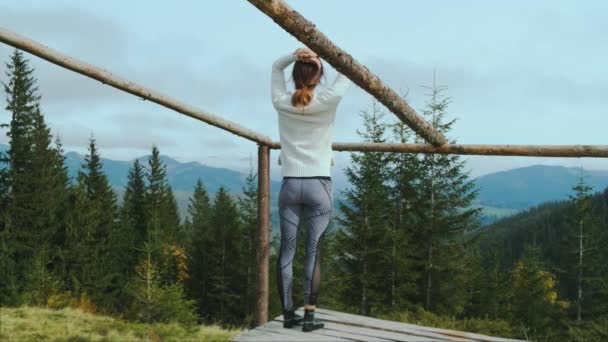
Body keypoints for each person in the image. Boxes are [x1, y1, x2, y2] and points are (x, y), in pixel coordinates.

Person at [271, 47, 350, 332]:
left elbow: (274, 68)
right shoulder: (327, 100)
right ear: (319, 76)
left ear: (295, 73)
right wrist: (321, 54)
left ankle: (287, 315)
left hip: (290, 185)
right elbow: (348, 68)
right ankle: (309, 318)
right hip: (319, 185)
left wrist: (294, 55)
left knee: (287, 251)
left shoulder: (281, 101)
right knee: (313, 251)